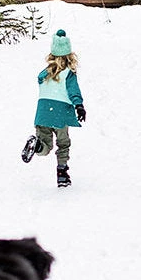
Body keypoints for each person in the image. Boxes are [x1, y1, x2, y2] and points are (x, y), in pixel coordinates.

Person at [20, 29, 86, 188]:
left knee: (46, 145)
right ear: (70, 55)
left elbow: (40, 80)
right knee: (63, 143)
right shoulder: (69, 73)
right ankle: (62, 174)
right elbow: (73, 90)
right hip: (60, 113)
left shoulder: (45, 72)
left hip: (42, 113)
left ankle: (37, 146)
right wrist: (79, 105)